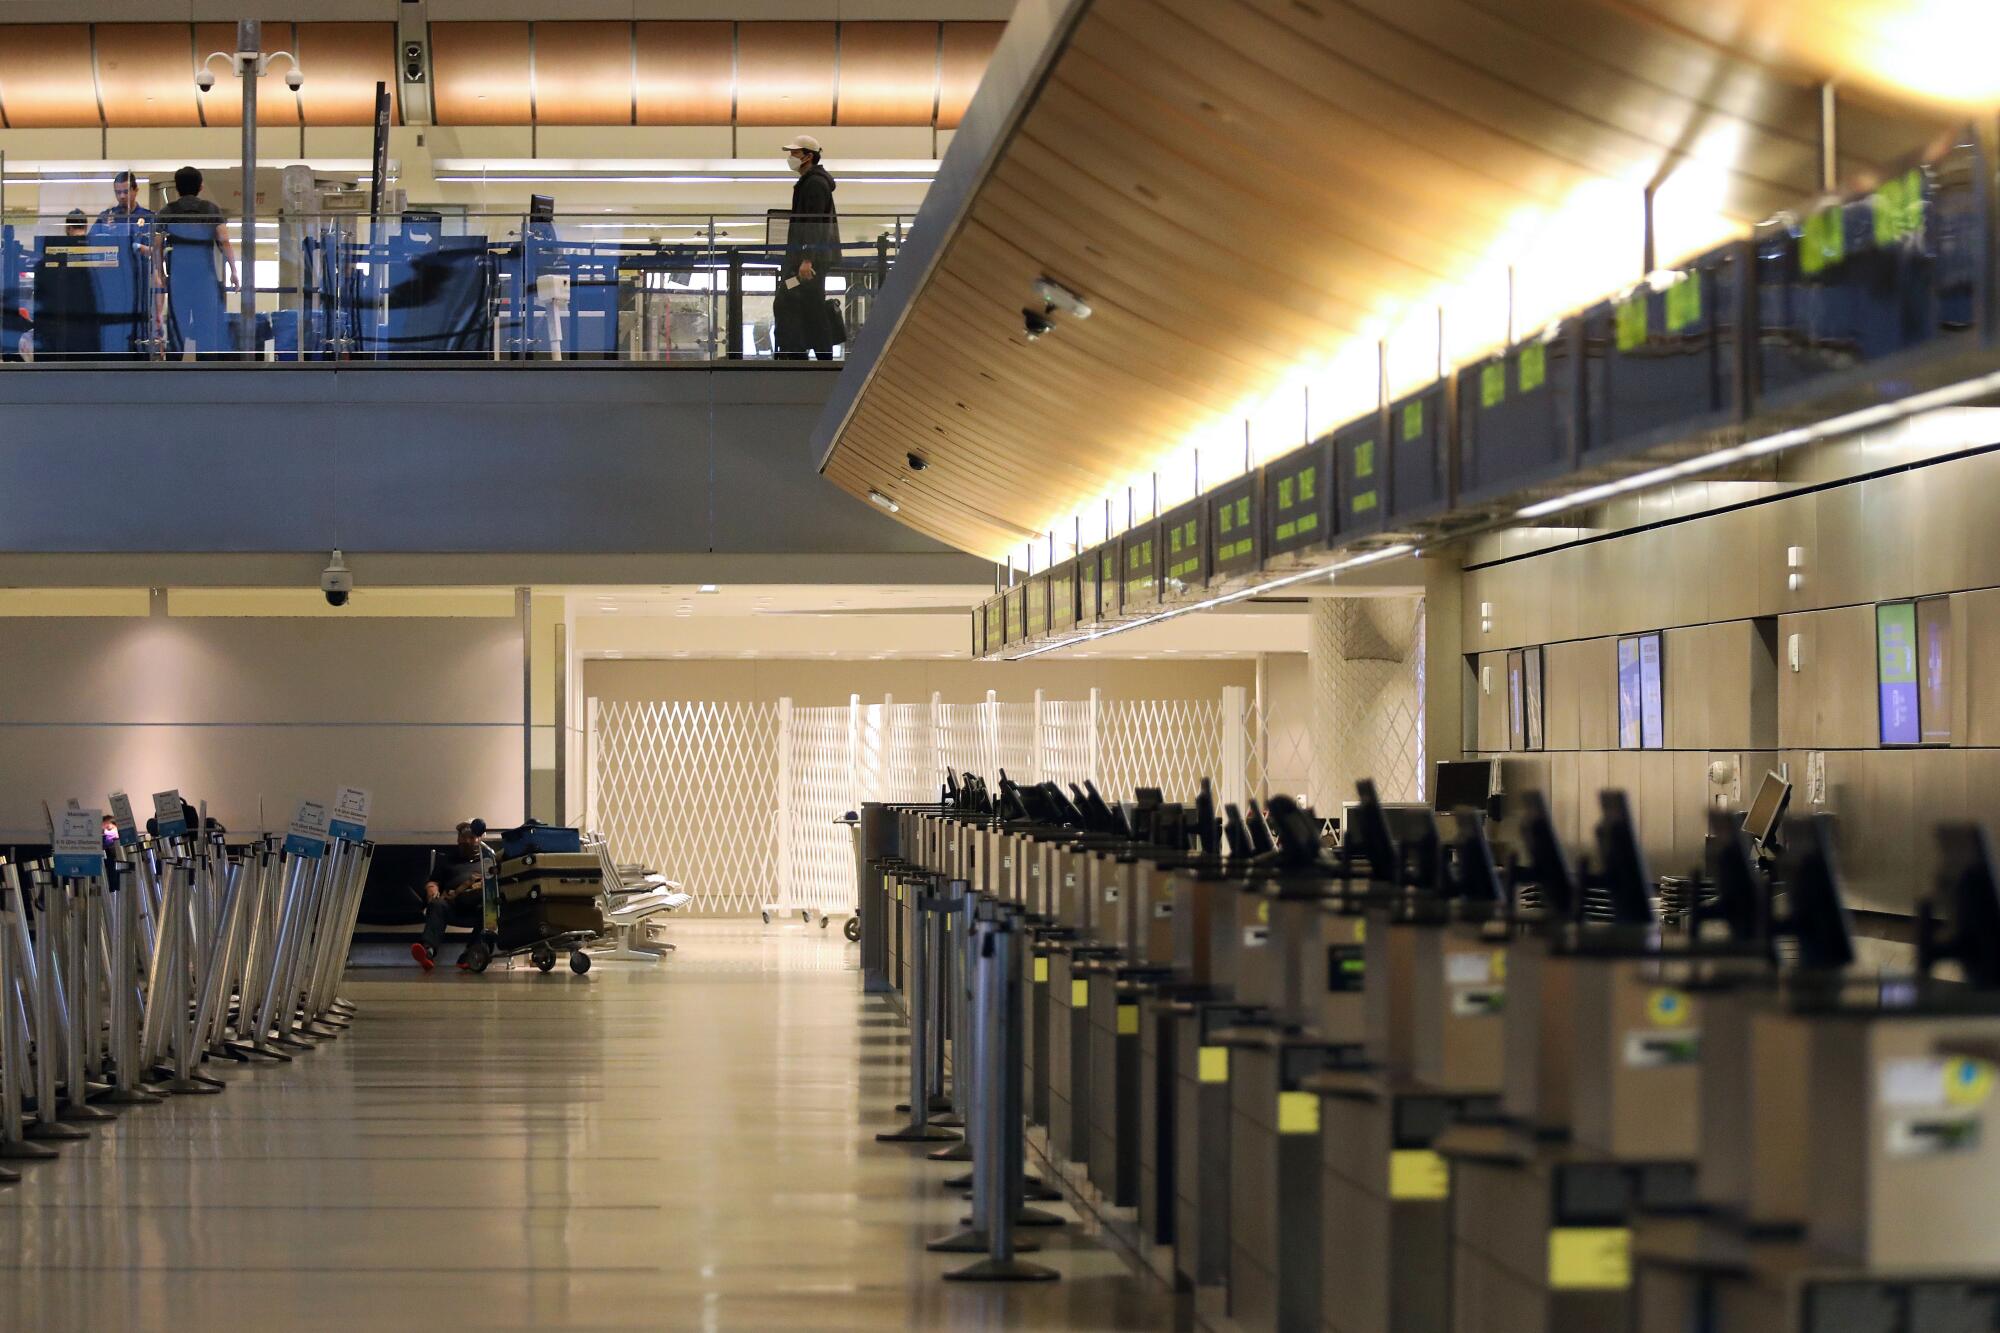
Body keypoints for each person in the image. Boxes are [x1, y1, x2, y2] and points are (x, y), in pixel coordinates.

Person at [153, 165, 237, 357]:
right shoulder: (210, 209)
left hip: (179, 279)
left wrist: (161, 273)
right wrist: (233, 271)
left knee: (177, 330)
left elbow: (157, 244)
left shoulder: (168, 211)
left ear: (177, 187)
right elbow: (224, 240)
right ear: (200, 186)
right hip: (205, 279)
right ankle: (207, 376)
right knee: (207, 331)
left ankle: (174, 376)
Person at [775, 135, 839, 361]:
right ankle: (805, 355)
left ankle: (815, 359)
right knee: (804, 305)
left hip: (809, 262)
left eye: (794, 153)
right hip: (806, 259)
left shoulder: (814, 183)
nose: (790, 157)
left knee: (801, 305)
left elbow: (814, 224)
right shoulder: (811, 182)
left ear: (808, 156)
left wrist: (807, 259)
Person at [413, 820, 490, 971]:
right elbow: (433, 882)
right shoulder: (447, 860)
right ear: (458, 839)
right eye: (463, 837)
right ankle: (428, 951)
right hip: (453, 905)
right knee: (436, 904)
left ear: (479, 839)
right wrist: (433, 892)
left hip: (478, 906)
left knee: (491, 910)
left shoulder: (487, 861)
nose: (467, 841)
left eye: (471, 837)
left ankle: (471, 954)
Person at [93, 170, 156, 355]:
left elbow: (158, 251)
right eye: (118, 192)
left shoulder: (149, 217)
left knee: (140, 325)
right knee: (114, 326)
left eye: (126, 191)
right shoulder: (106, 217)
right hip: (112, 283)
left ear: (136, 190)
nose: (122, 196)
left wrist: (136, 246)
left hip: (140, 281)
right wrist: (107, 235)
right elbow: (91, 247)